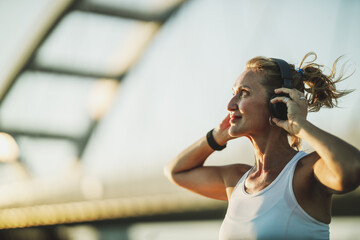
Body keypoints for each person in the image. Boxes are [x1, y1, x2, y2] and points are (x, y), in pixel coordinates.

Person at [164, 52, 360, 240]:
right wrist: (217, 136)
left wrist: (301, 126)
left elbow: (353, 168)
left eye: (244, 93)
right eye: (234, 94)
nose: (230, 104)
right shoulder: (236, 180)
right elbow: (175, 172)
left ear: (279, 103)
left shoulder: (306, 173)